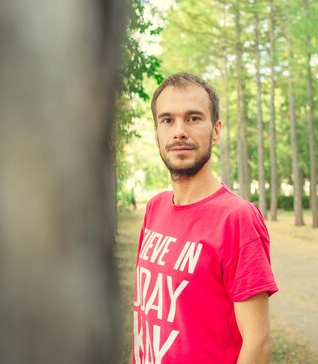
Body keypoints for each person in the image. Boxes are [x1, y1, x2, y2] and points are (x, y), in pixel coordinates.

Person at [131, 72, 278, 364]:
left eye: (194, 118)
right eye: (167, 120)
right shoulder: (155, 208)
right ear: (156, 132)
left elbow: (257, 342)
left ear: (216, 130)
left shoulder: (237, 219)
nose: (179, 131)